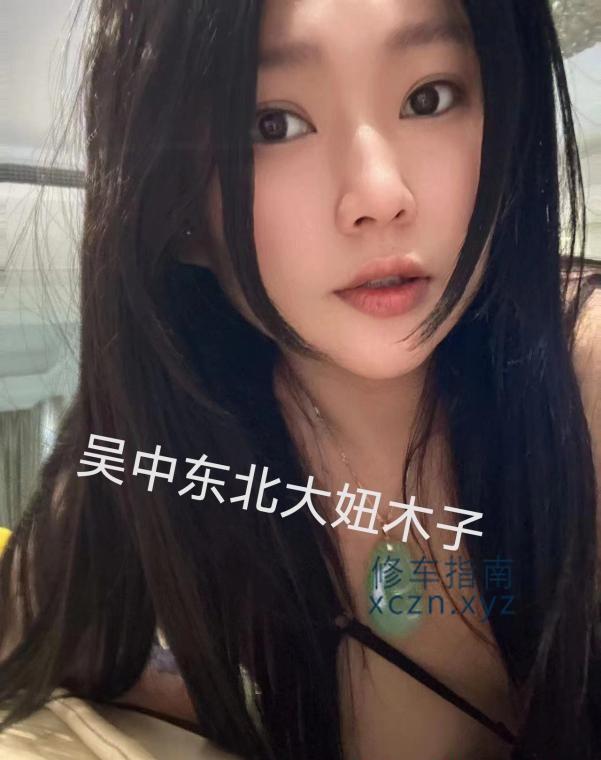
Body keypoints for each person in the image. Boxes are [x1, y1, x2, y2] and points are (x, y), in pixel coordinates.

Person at [0, 0, 599, 758]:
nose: (380, 195)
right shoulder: (158, 462)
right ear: (177, 205)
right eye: (273, 124)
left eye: (429, 97)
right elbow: (38, 635)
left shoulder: (579, 376)